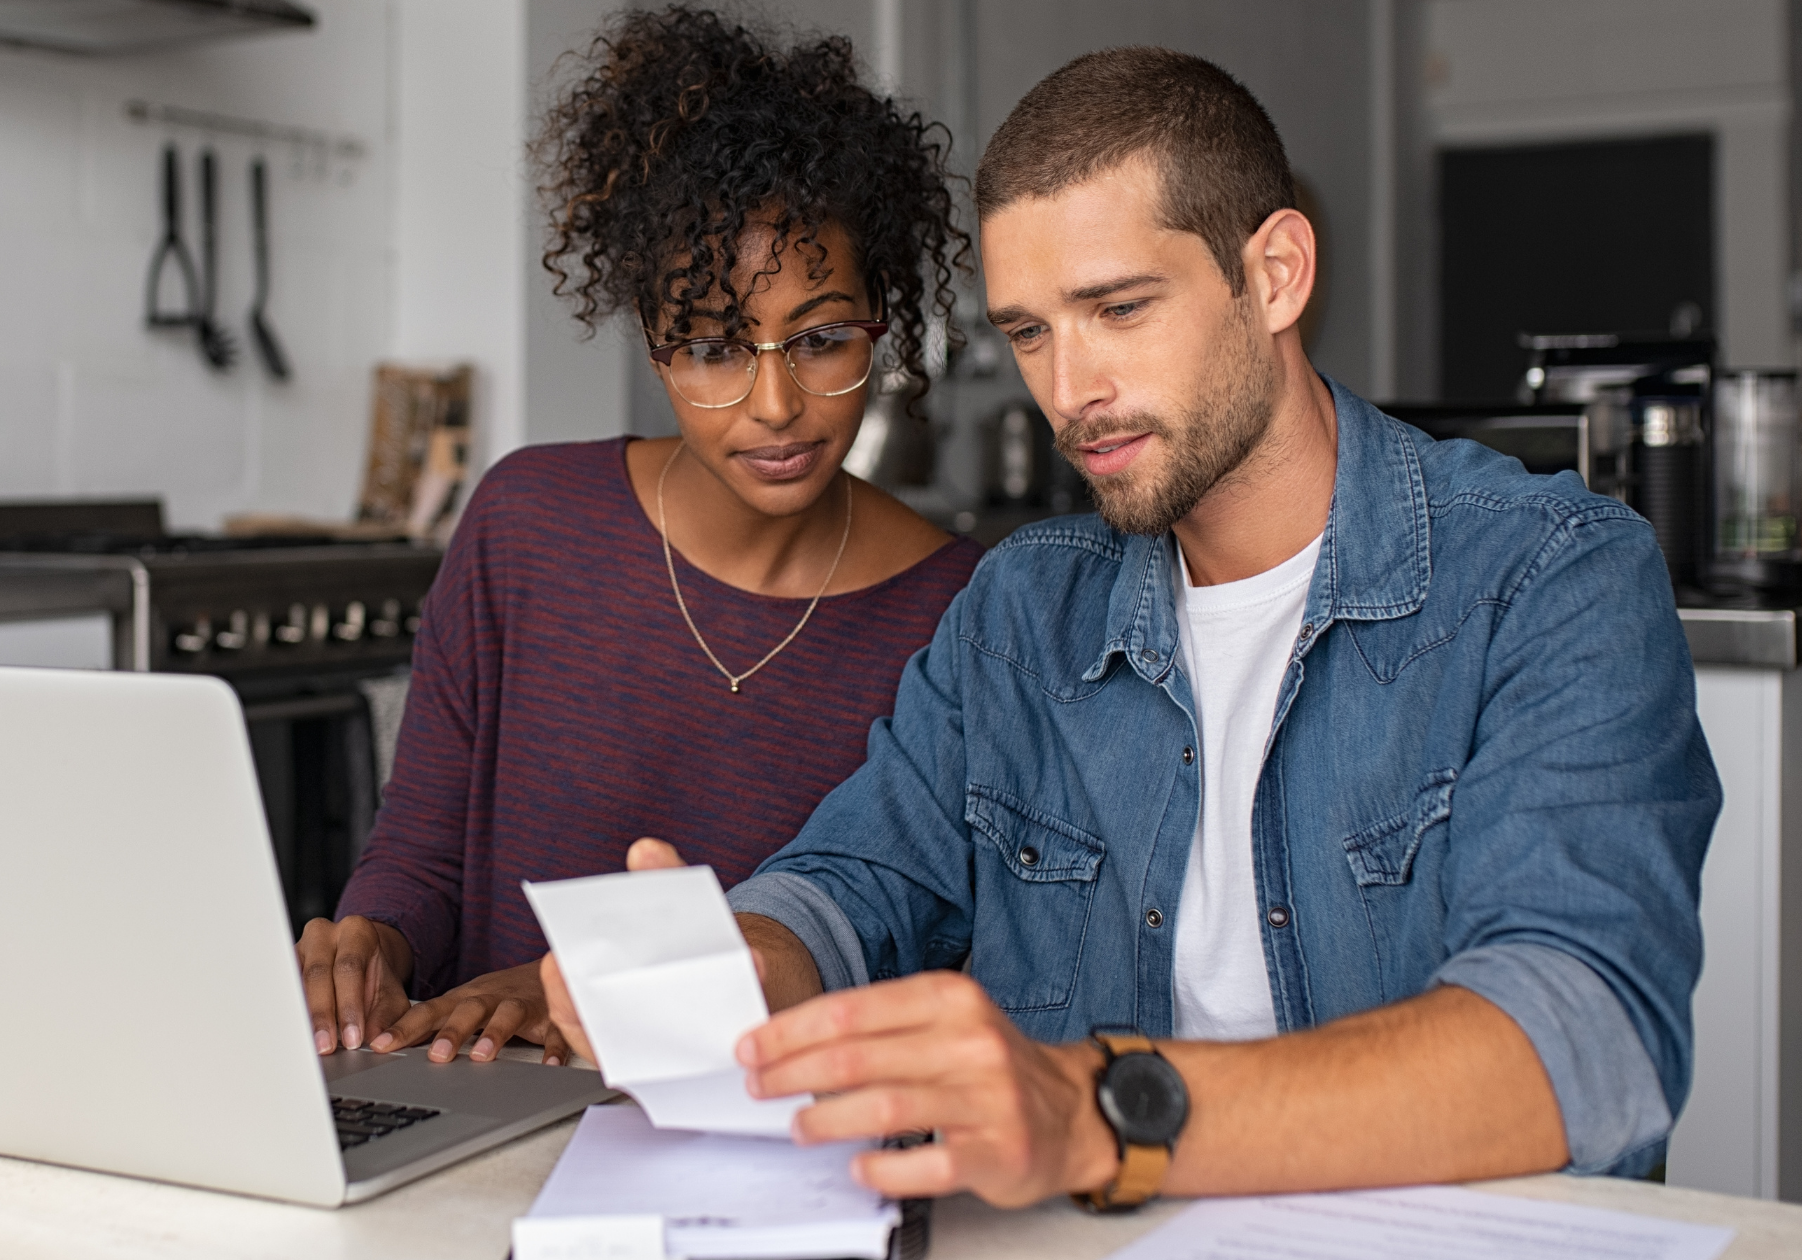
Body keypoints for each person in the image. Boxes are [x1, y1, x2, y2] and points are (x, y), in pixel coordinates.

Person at [545, 46, 1718, 1209]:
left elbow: (1586, 1040)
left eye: (1116, 309)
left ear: (1274, 275)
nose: (1068, 389)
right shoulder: (1020, 612)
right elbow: (854, 880)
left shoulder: (1547, 576)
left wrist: (1102, 1113)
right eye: (1030, 332)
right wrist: (737, 963)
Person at [296, 8, 981, 1070]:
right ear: (653, 348)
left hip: (761, 1155)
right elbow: (421, 857)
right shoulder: (524, 524)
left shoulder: (958, 612)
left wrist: (580, 993)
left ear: (880, 325)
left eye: (820, 339)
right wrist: (370, 944)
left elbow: (908, 949)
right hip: (477, 1107)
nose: (772, 404)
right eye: (710, 347)